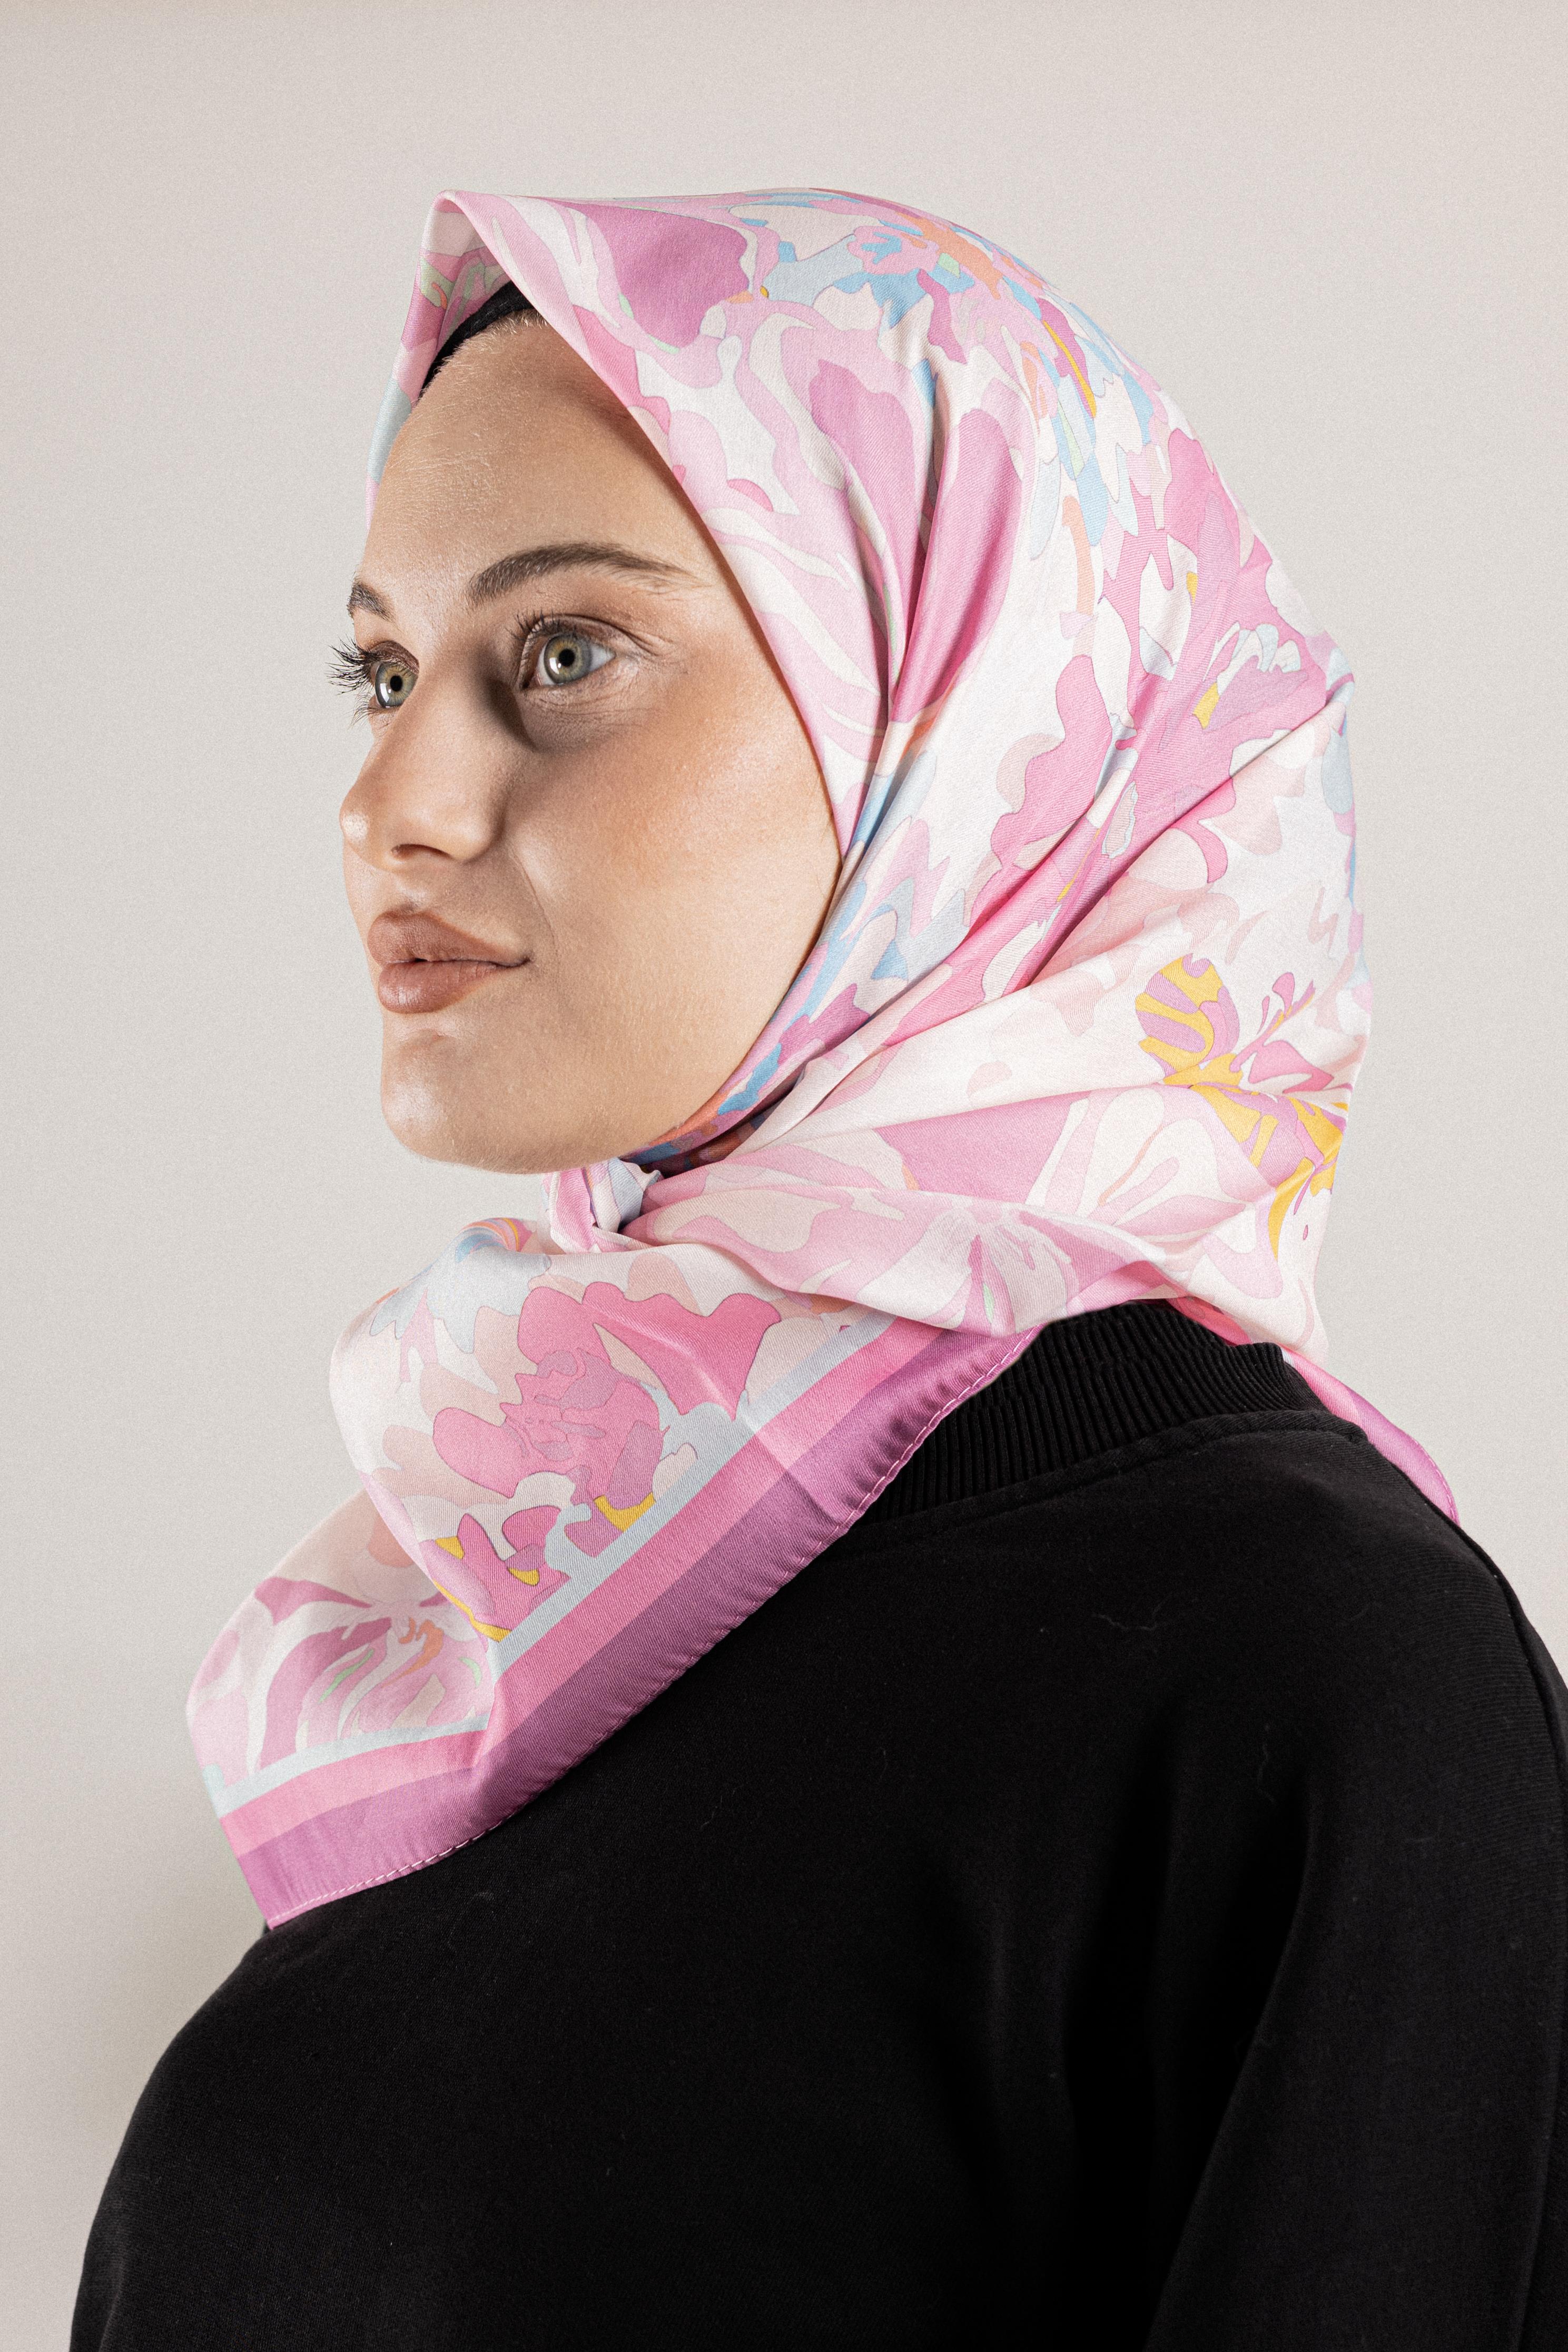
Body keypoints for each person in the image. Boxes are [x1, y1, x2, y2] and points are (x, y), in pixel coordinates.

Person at [74, 190, 1567, 2348]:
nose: (390, 800)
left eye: (561, 655)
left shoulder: (1306, 1669)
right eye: (381, 672)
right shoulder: (537, 1579)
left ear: (962, 734)